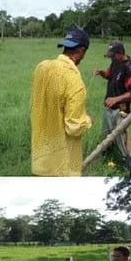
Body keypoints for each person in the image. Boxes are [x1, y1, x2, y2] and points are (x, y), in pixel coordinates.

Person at [30, 28, 93, 176]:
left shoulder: (42, 67)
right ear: (81, 51)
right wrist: (88, 121)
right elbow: (74, 127)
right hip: (62, 163)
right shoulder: (74, 81)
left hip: (40, 157)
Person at [93, 41, 131, 168]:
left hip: (121, 110)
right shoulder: (115, 62)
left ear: (120, 53)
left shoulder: (129, 69)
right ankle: (107, 156)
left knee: (121, 138)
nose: (111, 58)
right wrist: (101, 72)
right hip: (108, 107)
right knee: (106, 135)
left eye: (112, 55)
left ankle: (128, 162)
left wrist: (116, 99)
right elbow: (109, 74)